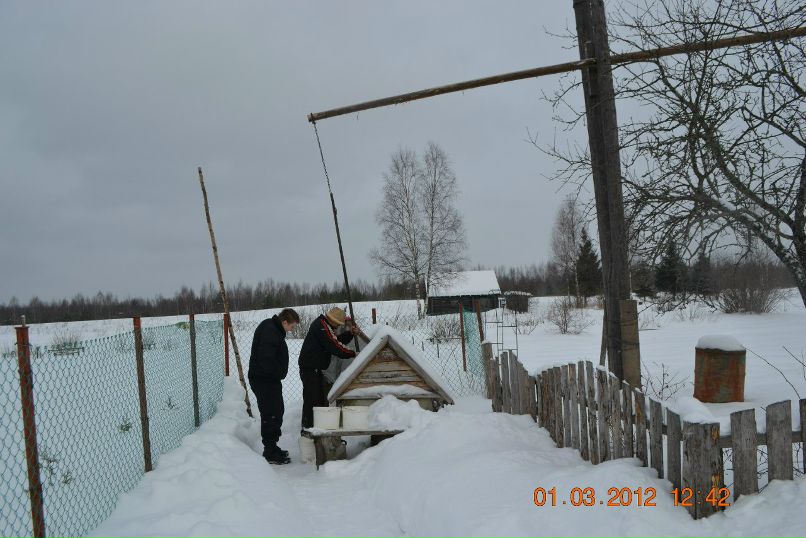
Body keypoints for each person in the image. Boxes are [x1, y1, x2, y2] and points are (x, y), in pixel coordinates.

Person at [248, 308, 300, 465]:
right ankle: (270, 451)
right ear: (284, 322)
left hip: (268, 379)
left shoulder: (272, 328)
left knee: (276, 410)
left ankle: (272, 446)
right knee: (271, 412)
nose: (292, 330)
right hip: (264, 379)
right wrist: (278, 372)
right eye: (291, 326)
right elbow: (266, 359)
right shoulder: (270, 330)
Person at [298, 307, 359, 429]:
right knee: (312, 401)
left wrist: (350, 334)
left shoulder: (324, 325)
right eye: (337, 324)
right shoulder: (321, 327)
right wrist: (353, 354)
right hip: (310, 369)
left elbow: (335, 341)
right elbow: (334, 346)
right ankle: (308, 429)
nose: (337, 326)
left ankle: (318, 427)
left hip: (316, 369)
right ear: (332, 320)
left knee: (320, 400)